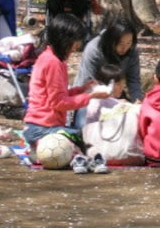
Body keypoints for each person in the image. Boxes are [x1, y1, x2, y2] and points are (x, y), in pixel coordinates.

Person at [22, 13, 110, 174]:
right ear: (65, 40)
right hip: (42, 127)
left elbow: (58, 94)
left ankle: (40, 148)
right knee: (84, 137)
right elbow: (59, 103)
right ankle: (56, 152)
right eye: (76, 41)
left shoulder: (52, 58)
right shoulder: (52, 62)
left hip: (40, 126)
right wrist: (90, 97)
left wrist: (81, 89)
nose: (78, 45)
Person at [73, 14, 143, 128]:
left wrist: (137, 101)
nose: (125, 48)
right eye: (120, 43)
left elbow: (134, 80)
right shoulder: (94, 49)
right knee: (83, 126)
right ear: (111, 40)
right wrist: (113, 102)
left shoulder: (132, 50)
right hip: (91, 96)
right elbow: (86, 83)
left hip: (115, 95)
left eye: (129, 43)